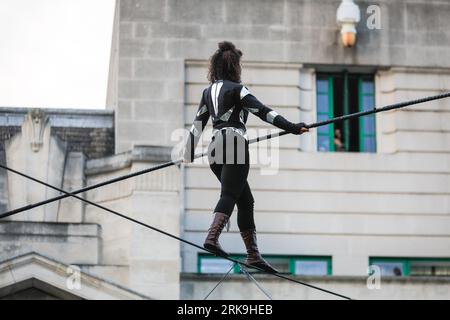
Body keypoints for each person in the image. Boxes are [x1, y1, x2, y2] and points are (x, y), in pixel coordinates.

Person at [183, 41, 309, 273]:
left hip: (214, 150)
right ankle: (212, 237)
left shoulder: (207, 92)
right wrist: (292, 127)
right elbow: (264, 112)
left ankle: (253, 255)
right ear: (234, 67)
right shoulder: (238, 89)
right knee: (230, 194)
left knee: (245, 200)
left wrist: (188, 151)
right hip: (234, 144)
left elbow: (198, 123)